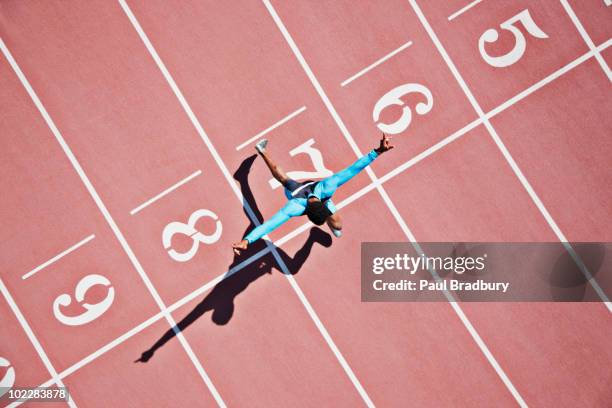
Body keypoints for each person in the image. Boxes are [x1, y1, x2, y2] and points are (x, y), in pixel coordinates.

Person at [232, 133, 394, 255]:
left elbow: (353, 169)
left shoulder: (324, 190)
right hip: (295, 193)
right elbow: (270, 224)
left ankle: (251, 165)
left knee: (336, 225)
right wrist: (248, 240)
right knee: (283, 178)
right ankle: (262, 150)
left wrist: (378, 151)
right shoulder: (297, 205)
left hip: (317, 195)